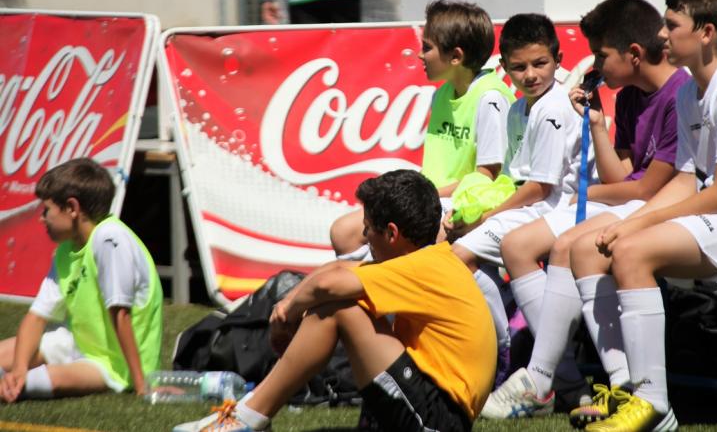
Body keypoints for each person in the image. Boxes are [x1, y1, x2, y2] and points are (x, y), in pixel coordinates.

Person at [570, 0, 717, 432]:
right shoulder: (688, 92)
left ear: (706, 33)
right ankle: (635, 393)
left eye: (672, 25)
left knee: (632, 252)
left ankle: (653, 405)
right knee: (605, 246)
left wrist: (640, 227)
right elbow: (685, 180)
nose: (662, 36)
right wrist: (631, 222)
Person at [481, 0, 690, 423]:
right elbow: (623, 176)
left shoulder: (678, 94)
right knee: (556, 246)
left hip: (664, 209)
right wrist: (596, 123)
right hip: (631, 202)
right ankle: (596, 383)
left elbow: (650, 188)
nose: (595, 64)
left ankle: (562, 380)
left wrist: (590, 194)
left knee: (572, 246)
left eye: (601, 55)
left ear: (633, 55)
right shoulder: (631, 93)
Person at [173, 169, 496, 432]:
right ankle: (249, 415)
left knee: (342, 309)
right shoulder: (430, 259)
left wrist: (287, 310)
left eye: (368, 231)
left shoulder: (425, 267)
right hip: (431, 408)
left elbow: (329, 284)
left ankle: (246, 419)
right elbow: (340, 269)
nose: (364, 239)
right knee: (343, 300)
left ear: (393, 234)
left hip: (437, 419)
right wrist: (293, 304)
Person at [446, 12, 591, 405]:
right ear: (504, 67)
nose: (530, 75)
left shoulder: (553, 106)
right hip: (530, 206)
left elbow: (540, 187)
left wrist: (487, 218)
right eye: (519, 67)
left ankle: (512, 353)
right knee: (456, 251)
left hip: (559, 209)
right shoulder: (517, 110)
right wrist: (469, 213)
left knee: (460, 257)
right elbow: (514, 181)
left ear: (558, 59)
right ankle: (559, 376)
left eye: (539, 63)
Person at [329, 0, 514, 257]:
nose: (420, 54)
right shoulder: (441, 95)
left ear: (456, 56)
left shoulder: (490, 98)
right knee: (343, 231)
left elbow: (488, 176)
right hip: (433, 200)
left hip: (466, 205)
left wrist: (424, 197)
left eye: (427, 48)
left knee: (398, 247)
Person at [0, 158, 163, 402]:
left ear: (72, 208)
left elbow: (120, 314)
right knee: (13, 367)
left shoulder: (109, 239)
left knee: (25, 386)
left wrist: (141, 385)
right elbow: (36, 317)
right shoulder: (66, 250)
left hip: (115, 366)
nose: (41, 219)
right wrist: (20, 368)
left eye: (47, 210)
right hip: (76, 344)